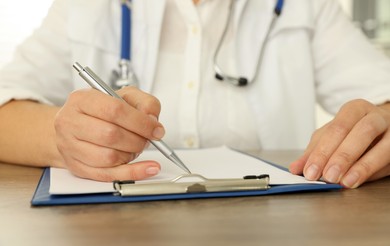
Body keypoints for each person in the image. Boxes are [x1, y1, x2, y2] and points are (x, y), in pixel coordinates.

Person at [0, 0, 389, 188]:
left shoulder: (305, 6)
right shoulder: (86, 6)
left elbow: (383, 99)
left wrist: (377, 124)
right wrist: (61, 136)